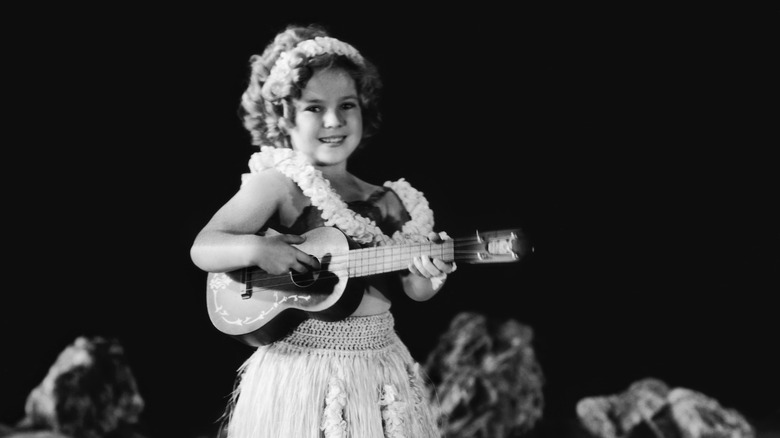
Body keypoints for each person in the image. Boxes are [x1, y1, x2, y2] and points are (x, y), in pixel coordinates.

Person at [190, 24, 456, 437]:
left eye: (347, 104)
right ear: (284, 116)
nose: (334, 120)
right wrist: (261, 251)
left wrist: (430, 274)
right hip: (301, 369)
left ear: (364, 108)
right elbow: (205, 247)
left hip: (377, 366)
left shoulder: (392, 199)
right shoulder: (279, 184)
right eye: (314, 107)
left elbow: (413, 290)